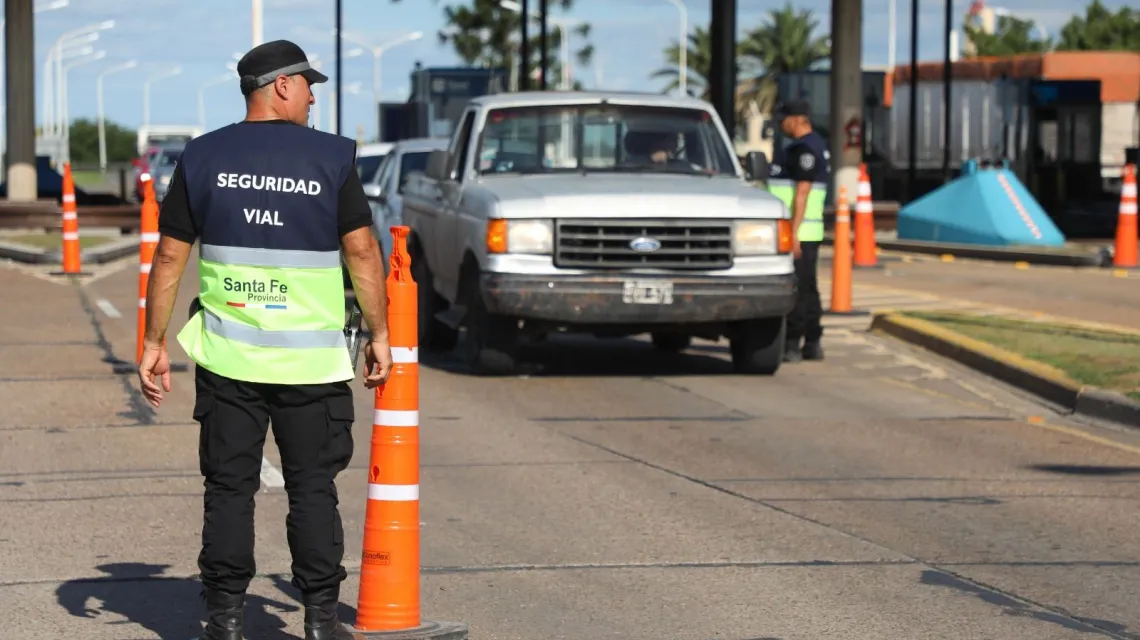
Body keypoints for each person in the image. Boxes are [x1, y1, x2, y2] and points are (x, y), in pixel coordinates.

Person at [135, 39, 394, 640]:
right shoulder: (332, 158)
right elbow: (360, 250)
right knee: (312, 489)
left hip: (229, 359)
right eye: (308, 86)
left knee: (229, 487)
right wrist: (380, 334)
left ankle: (224, 618)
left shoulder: (203, 156)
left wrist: (154, 342)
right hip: (311, 364)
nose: (311, 99)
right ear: (281, 86)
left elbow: (170, 257)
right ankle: (322, 620)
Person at [767, 99, 830, 362]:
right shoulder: (810, 146)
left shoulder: (804, 149)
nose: (781, 126)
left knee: (798, 290)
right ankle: (812, 342)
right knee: (808, 288)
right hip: (803, 232)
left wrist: (792, 234)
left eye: (782, 120)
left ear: (795, 119)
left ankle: (794, 343)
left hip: (799, 233)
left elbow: (801, 194)